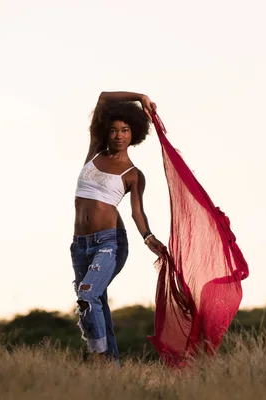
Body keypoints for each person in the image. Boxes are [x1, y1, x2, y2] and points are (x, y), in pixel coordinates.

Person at [70, 91, 166, 362]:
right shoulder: (94, 151)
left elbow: (137, 212)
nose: (118, 135)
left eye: (125, 130)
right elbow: (102, 98)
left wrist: (148, 237)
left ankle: (98, 357)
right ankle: (112, 372)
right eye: (113, 130)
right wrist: (140, 97)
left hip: (110, 243)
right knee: (97, 302)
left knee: (87, 295)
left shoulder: (133, 174)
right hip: (80, 245)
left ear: (133, 134)